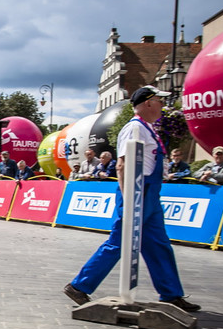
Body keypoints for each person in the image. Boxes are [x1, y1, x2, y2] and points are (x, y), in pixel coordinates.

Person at [64, 86, 199, 312]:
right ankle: (80, 285)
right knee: (120, 242)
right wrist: (130, 199)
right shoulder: (134, 128)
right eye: (159, 101)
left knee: (158, 244)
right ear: (147, 103)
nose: (162, 105)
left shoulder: (148, 129)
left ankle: (171, 294)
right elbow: (122, 165)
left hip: (150, 193)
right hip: (137, 192)